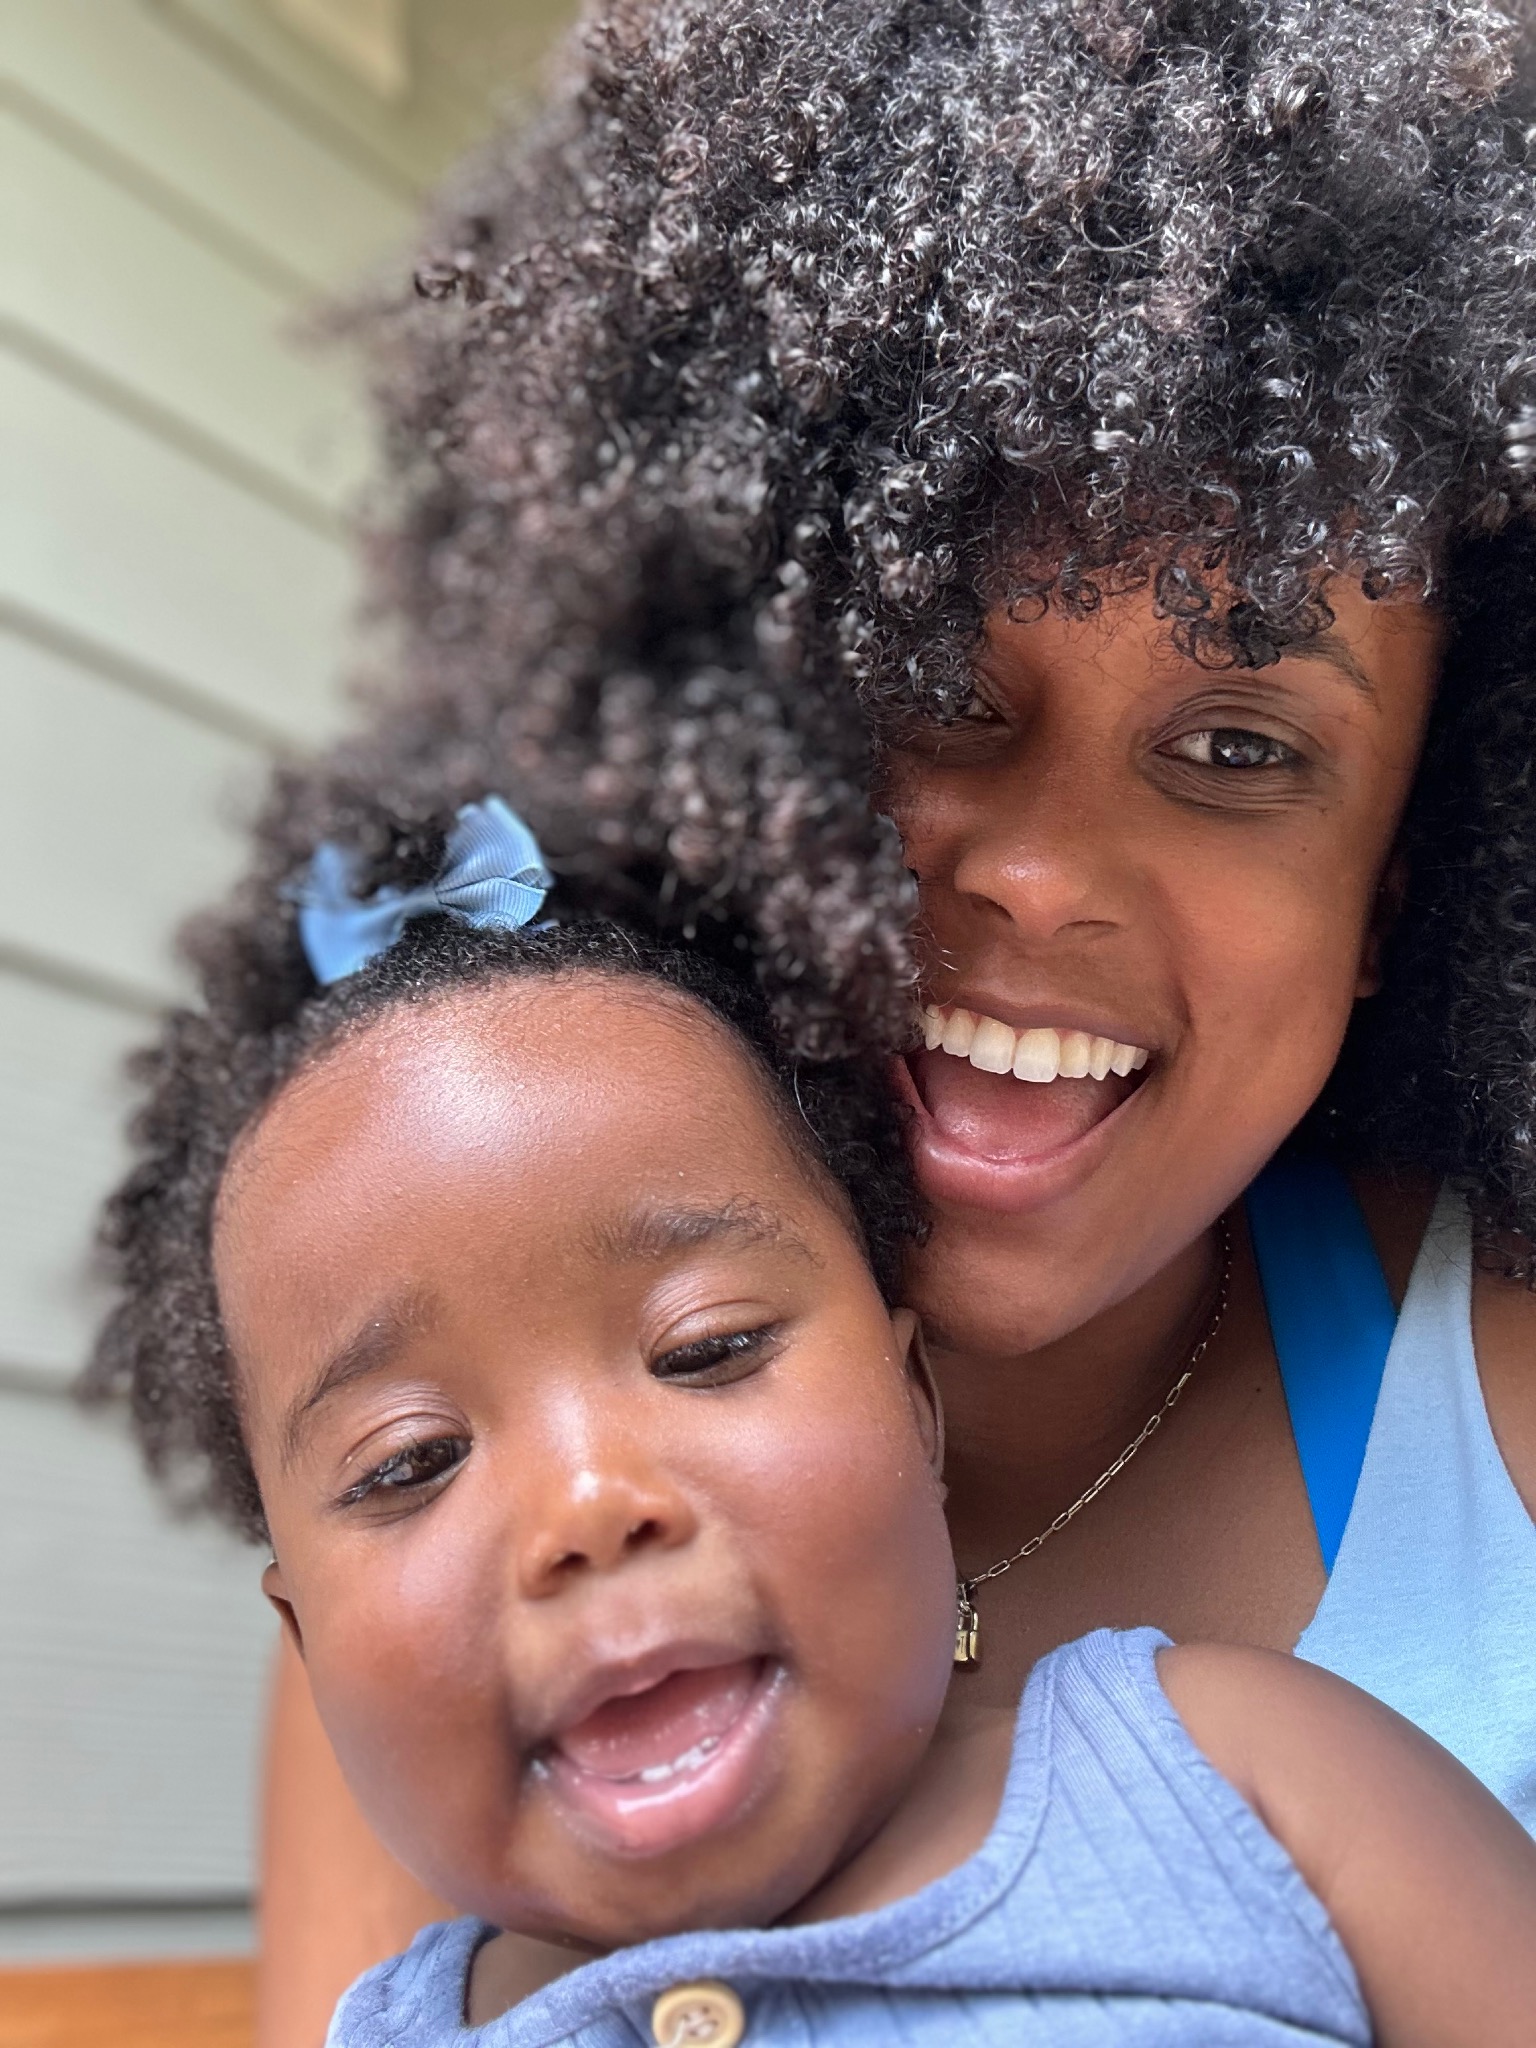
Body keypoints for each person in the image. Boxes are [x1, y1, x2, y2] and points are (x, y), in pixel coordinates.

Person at [87, 0, 1536, 2036]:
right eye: (938, 686)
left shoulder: (1494, 1398)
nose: (1045, 874)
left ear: (1396, 889)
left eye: (1236, 744)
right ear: (717, 728)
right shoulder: (465, 1590)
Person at [92, 804, 1536, 2043]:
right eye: (412, 1463)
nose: (586, 1506)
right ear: (306, 1643)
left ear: (919, 1408)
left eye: (706, 1350)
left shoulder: (1240, 1778)